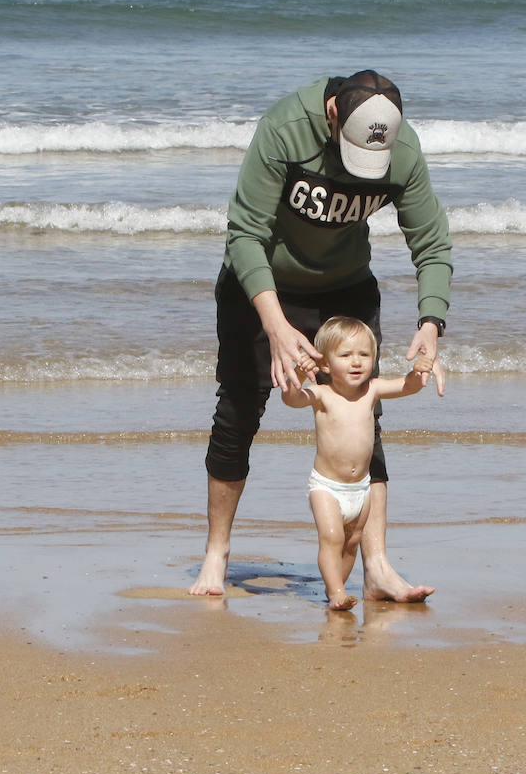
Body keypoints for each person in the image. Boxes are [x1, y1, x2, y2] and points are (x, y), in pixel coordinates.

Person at [189, 69, 451, 600]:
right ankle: (216, 555)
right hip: (260, 287)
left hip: (345, 288)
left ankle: (376, 567)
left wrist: (430, 323)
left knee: (366, 418)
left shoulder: (403, 148)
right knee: (238, 412)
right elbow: (244, 235)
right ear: (332, 114)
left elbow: (431, 239)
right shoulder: (284, 128)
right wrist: (275, 323)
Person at [282, 317, 433, 610]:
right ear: (325, 364)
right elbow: (291, 399)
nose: (356, 362)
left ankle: (337, 589)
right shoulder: (322, 395)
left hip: (361, 489)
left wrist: (417, 372)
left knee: (352, 542)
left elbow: (407, 387)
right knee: (332, 538)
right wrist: (298, 376)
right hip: (327, 487)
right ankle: (336, 591)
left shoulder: (373, 390)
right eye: (346, 355)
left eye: (364, 355)